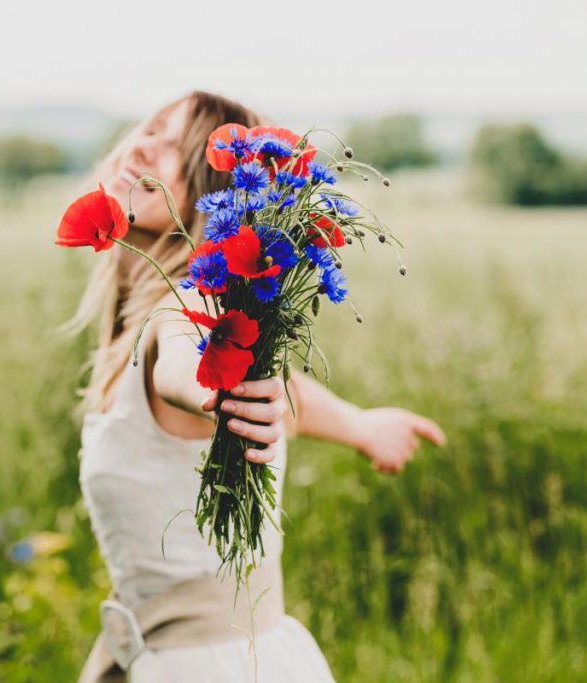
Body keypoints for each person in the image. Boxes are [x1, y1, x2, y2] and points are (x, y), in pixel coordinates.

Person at [63, 90, 447, 682]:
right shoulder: (159, 308)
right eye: (151, 128)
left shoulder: (187, 304)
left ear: (211, 192)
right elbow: (287, 391)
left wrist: (216, 393)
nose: (142, 144)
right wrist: (362, 426)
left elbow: (187, 362)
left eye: (173, 147)